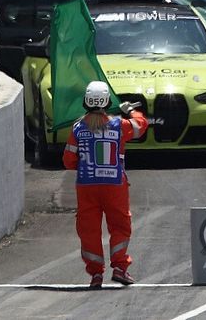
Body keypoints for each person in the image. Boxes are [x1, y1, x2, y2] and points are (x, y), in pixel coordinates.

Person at [63, 81, 148, 288]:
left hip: (87, 185)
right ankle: (119, 267)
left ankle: (95, 274)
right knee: (120, 225)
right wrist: (132, 110)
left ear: (86, 102)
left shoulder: (77, 128)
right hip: (114, 185)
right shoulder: (120, 125)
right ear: (107, 101)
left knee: (89, 229)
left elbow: (68, 160)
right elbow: (141, 126)